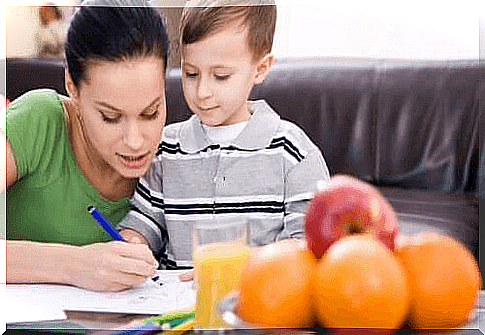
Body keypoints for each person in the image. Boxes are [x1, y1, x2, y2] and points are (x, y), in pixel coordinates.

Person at [118, 0, 330, 272]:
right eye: (190, 73)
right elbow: (146, 222)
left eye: (221, 76)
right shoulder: (166, 148)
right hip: (173, 308)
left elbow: (306, 243)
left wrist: (238, 271)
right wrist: (132, 243)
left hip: (255, 304)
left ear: (261, 68)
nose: (202, 91)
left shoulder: (293, 152)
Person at [5, 0, 169, 292]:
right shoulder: (40, 120)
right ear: (72, 87)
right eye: (110, 117)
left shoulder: (174, 160)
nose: (135, 142)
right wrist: (72, 264)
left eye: (151, 112)